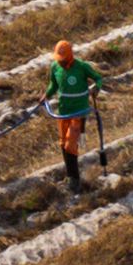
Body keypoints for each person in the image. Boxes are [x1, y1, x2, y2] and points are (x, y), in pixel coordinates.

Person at [44, 38, 103, 193]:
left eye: (63, 60)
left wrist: (97, 87)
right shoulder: (55, 67)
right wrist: (46, 96)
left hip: (79, 111)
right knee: (63, 144)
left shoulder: (81, 67)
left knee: (71, 144)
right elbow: (54, 85)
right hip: (63, 112)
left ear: (70, 56)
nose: (61, 63)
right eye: (59, 59)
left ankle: (74, 181)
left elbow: (98, 78)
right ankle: (71, 174)